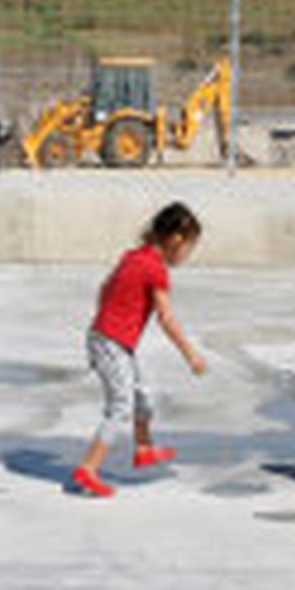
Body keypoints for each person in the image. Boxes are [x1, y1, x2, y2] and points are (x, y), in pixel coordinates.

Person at [71, 202, 208, 498]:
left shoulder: (133, 257)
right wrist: (191, 354)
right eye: (189, 248)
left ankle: (144, 448)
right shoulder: (156, 270)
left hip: (109, 340)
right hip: (111, 343)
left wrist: (104, 320)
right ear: (176, 240)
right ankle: (88, 469)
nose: (187, 256)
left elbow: (105, 287)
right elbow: (166, 318)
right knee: (120, 407)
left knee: (142, 397)